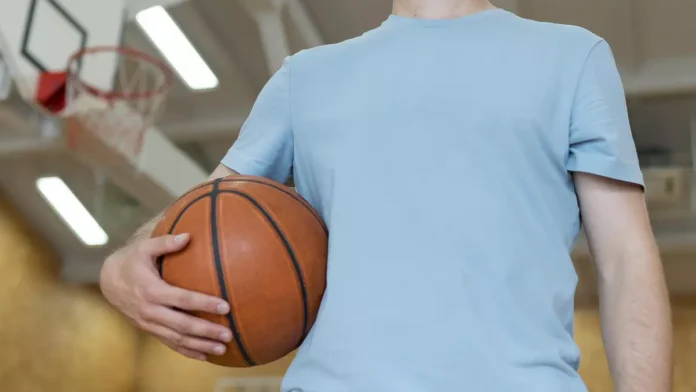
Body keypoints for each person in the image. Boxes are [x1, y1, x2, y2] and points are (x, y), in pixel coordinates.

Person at [99, 0, 673, 390]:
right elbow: (198, 215)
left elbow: (626, 260)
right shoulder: (306, 78)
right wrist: (120, 267)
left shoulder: (573, 58)